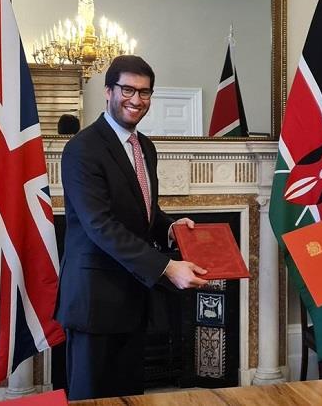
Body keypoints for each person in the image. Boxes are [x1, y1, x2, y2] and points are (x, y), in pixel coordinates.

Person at [56, 55, 208, 400]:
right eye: (128, 90)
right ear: (108, 91)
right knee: (93, 397)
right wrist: (167, 267)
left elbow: (144, 211)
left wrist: (170, 229)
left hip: (132, 297)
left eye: (145, 92)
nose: (137, 100)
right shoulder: (83, 148)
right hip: (95, 301)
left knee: (130, 396)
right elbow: (100, 225)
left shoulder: (145, 148)